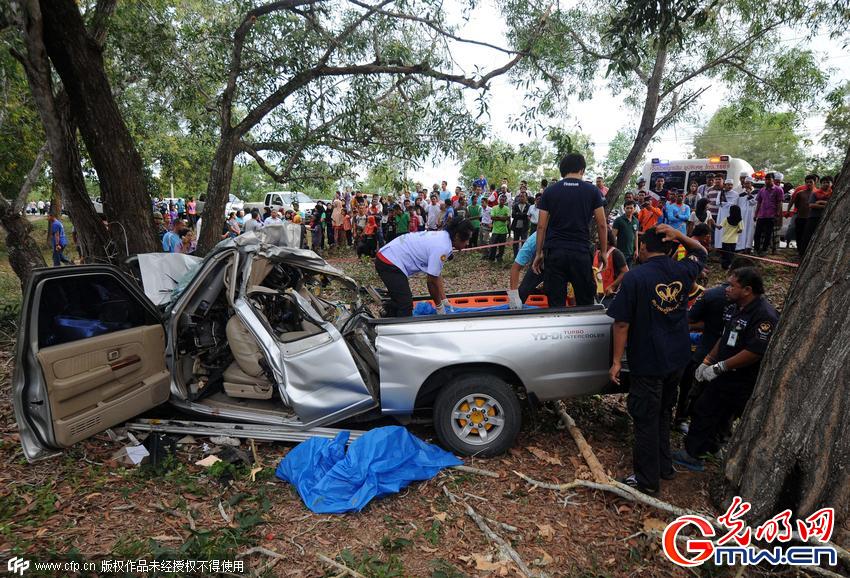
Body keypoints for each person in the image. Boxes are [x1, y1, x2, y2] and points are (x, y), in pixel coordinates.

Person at [607, 224, 707, 494]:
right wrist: (680, 236)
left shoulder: (635, 277)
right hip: (678, 356)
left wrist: (616, 361)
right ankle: (664, 466)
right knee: (664, 411)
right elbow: (701, 251)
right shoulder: (683, 269)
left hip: (649, 360)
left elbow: (621, 324)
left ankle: (646, 481)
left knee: (645, 418)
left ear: (643, 247)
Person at [674, 267, 778, 471]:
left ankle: (693, 455)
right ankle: (707, 448)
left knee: (710, 410)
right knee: (708, 409)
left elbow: (755, 351)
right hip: (722, 372)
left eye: (732, 285)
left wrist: (722, 366)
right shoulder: (735, 307)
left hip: (740, 378)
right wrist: (708, 360)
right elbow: (725, 336)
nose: (727, 289)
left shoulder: (764, 315)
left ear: (747, 290)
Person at [674, 256, 754, 432]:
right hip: (728, 357)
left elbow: (689, 319)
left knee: (694, 392)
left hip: (708, 353)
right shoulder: (752, 305)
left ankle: (684, 421)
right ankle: (714, 434)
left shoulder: (711, 295)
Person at [532, 153, 607, 307]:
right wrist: (604, 252)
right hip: (580, 252)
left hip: (555, 252)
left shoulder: (550, 191)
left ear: (562, 170)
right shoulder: (592, 191)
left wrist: (539, 253)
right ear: (582, 169)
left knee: (556, 303)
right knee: (585, 301)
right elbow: (602, 224)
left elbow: (541, 226)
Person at [374, 219, 474, 317]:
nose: (468, 243)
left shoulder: (443, 236)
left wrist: (444, 300)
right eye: (467, 239)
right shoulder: (443, 247)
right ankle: (399, 330)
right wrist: (439, 307)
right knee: (406, 304)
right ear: (457, 236)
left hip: (389, 256)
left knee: (400, 297)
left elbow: (436, 274)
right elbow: (431, 281)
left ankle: (387, 312)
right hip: (389, 261)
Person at [507, 230, 543, 308]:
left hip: (565, 265)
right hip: (539, 267)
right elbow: (515, 268)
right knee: (522, 293)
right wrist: (514, 296)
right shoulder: (534, 239)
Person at [754, 172, 784, 255]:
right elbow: (759, 203)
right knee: (757, 234)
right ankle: (756, 249)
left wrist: (777, 214)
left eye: (769, 179)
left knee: (768, 234)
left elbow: (779, 203)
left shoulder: (778, 189)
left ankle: (764, 250)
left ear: (773, 180)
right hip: (761, 215)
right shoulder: (762, 190)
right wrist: (756, 214)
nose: (767, 181)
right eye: (766, 179)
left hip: (771, 215)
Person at [596, 230, 628, 306]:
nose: (596, 241)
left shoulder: (616, 253)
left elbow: (625, 271)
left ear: (607, 240)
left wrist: (612, 286)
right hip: (597, 296)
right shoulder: (596, 252)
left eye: (598, 238)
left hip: (609, 297)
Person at [804, 175, 832, 247]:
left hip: (828, 218)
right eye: (824, 182)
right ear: (821, 184)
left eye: (828, 182)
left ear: (831, 183)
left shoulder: (834, 193)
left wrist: (820, 202)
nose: (826, 184)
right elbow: (811, 205)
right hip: (814, 217)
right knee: (808, 235)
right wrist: (826, 206)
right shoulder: (815, 193)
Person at [612, 200, 639, 267]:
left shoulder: (636, 221)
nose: (629, 210)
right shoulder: (618, 220)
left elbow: (636, 236)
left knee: (628, 272)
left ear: (634, 209)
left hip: (631, 252)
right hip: (620, 252)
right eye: (627, 208)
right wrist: (614, 250)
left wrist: (636, 250)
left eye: (631, 208)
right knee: (619, 271)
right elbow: (613, 236)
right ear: (624, 208)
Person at [717, 205, 743, 269]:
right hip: (733, 241)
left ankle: (724, 266)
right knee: (731, 255)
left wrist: (713, 224)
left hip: (725, 240)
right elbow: (740, 230)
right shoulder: (740, 220)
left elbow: (719, 227)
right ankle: (730, 266)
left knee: (725, 255)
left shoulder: (726, 219)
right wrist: (736, 231)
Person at [736, 178, 758, 252]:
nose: (746, 185)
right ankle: (740, 246)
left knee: (750, 230)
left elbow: (754, 203)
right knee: (742, 230)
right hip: (742, 216)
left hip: (751, 215)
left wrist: (749, 194)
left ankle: (748, 247)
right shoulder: (741, 194)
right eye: (745, 183)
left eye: (748, 183)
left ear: (751, 184)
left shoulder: (756, 193)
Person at [488, 194, 511, 262]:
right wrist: (502, 217)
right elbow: (492, 217)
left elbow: (507, 218)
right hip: (495, 230)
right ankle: (491, 258)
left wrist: (498, 217)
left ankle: (499, 258)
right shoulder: (494, 207)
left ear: (505, 201)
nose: (502, 201)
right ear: (499, 200)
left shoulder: (507, 208)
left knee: (502, 247)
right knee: (493, 246)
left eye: (503, 200)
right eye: (501, 199)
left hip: (503, 231)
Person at [510, 191, 531, 257]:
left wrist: (519, 214)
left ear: (526, 197)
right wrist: (523, 215)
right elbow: (513, 215)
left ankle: (522, 256)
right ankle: (515, 256)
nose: (521, 198)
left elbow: (527, 215)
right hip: (516, 226)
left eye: (523, 196)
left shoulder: (529, 206)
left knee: (524, 242)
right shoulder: (515, 205)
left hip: (524, 226)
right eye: (520, 196)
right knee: (515, 242)